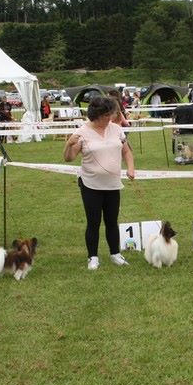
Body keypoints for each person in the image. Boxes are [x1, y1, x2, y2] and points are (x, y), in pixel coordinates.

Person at [63, 96, 135, 270]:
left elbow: (126, 151)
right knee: (93, 222)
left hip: (113, 184)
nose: (109, 118)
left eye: (110, 115)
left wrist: (131, 168)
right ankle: (92, 257)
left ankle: (115, 254)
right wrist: (68, 144)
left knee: (112, 221)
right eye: (106, 115)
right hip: (90, 184)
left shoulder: (117, 129)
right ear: (96, 115)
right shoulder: (82, 132)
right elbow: (69, 158)